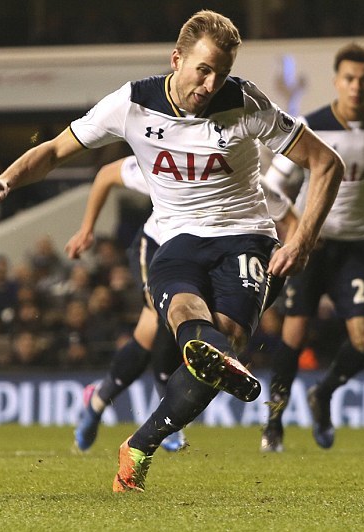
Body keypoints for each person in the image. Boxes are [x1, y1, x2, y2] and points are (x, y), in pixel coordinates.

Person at [0, 10, 344, 492]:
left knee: (221, 340)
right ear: (177, 59)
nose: (211, 84)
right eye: (203, 70)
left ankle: (139, 445)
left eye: (222, 73)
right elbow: (55, 150)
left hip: (247, 236)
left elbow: (325, 163)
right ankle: (202, 359)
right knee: (199, 331)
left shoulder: (248, 103)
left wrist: (301, 239)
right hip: (175, 239)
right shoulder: (131, 103)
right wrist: (6, 178)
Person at [68, 155, 298, 454]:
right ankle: (161, 418)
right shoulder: (169, 159)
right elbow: (107, 173)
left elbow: (292, 220)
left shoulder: (248, 183)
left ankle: (98, 400)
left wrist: (287, 258)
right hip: (157, 247)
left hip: (214, 257)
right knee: (165, 322)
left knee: (152, 335)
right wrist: (87, 228)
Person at [261, 42, 364, 452]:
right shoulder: (310, 125)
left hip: (357, 246)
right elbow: (272, 185)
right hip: (312, 247)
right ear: (336, 81)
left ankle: (322, 394)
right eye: (349, 78)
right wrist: (297, 227)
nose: (357, 86)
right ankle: (273, 424)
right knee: (294, 334)